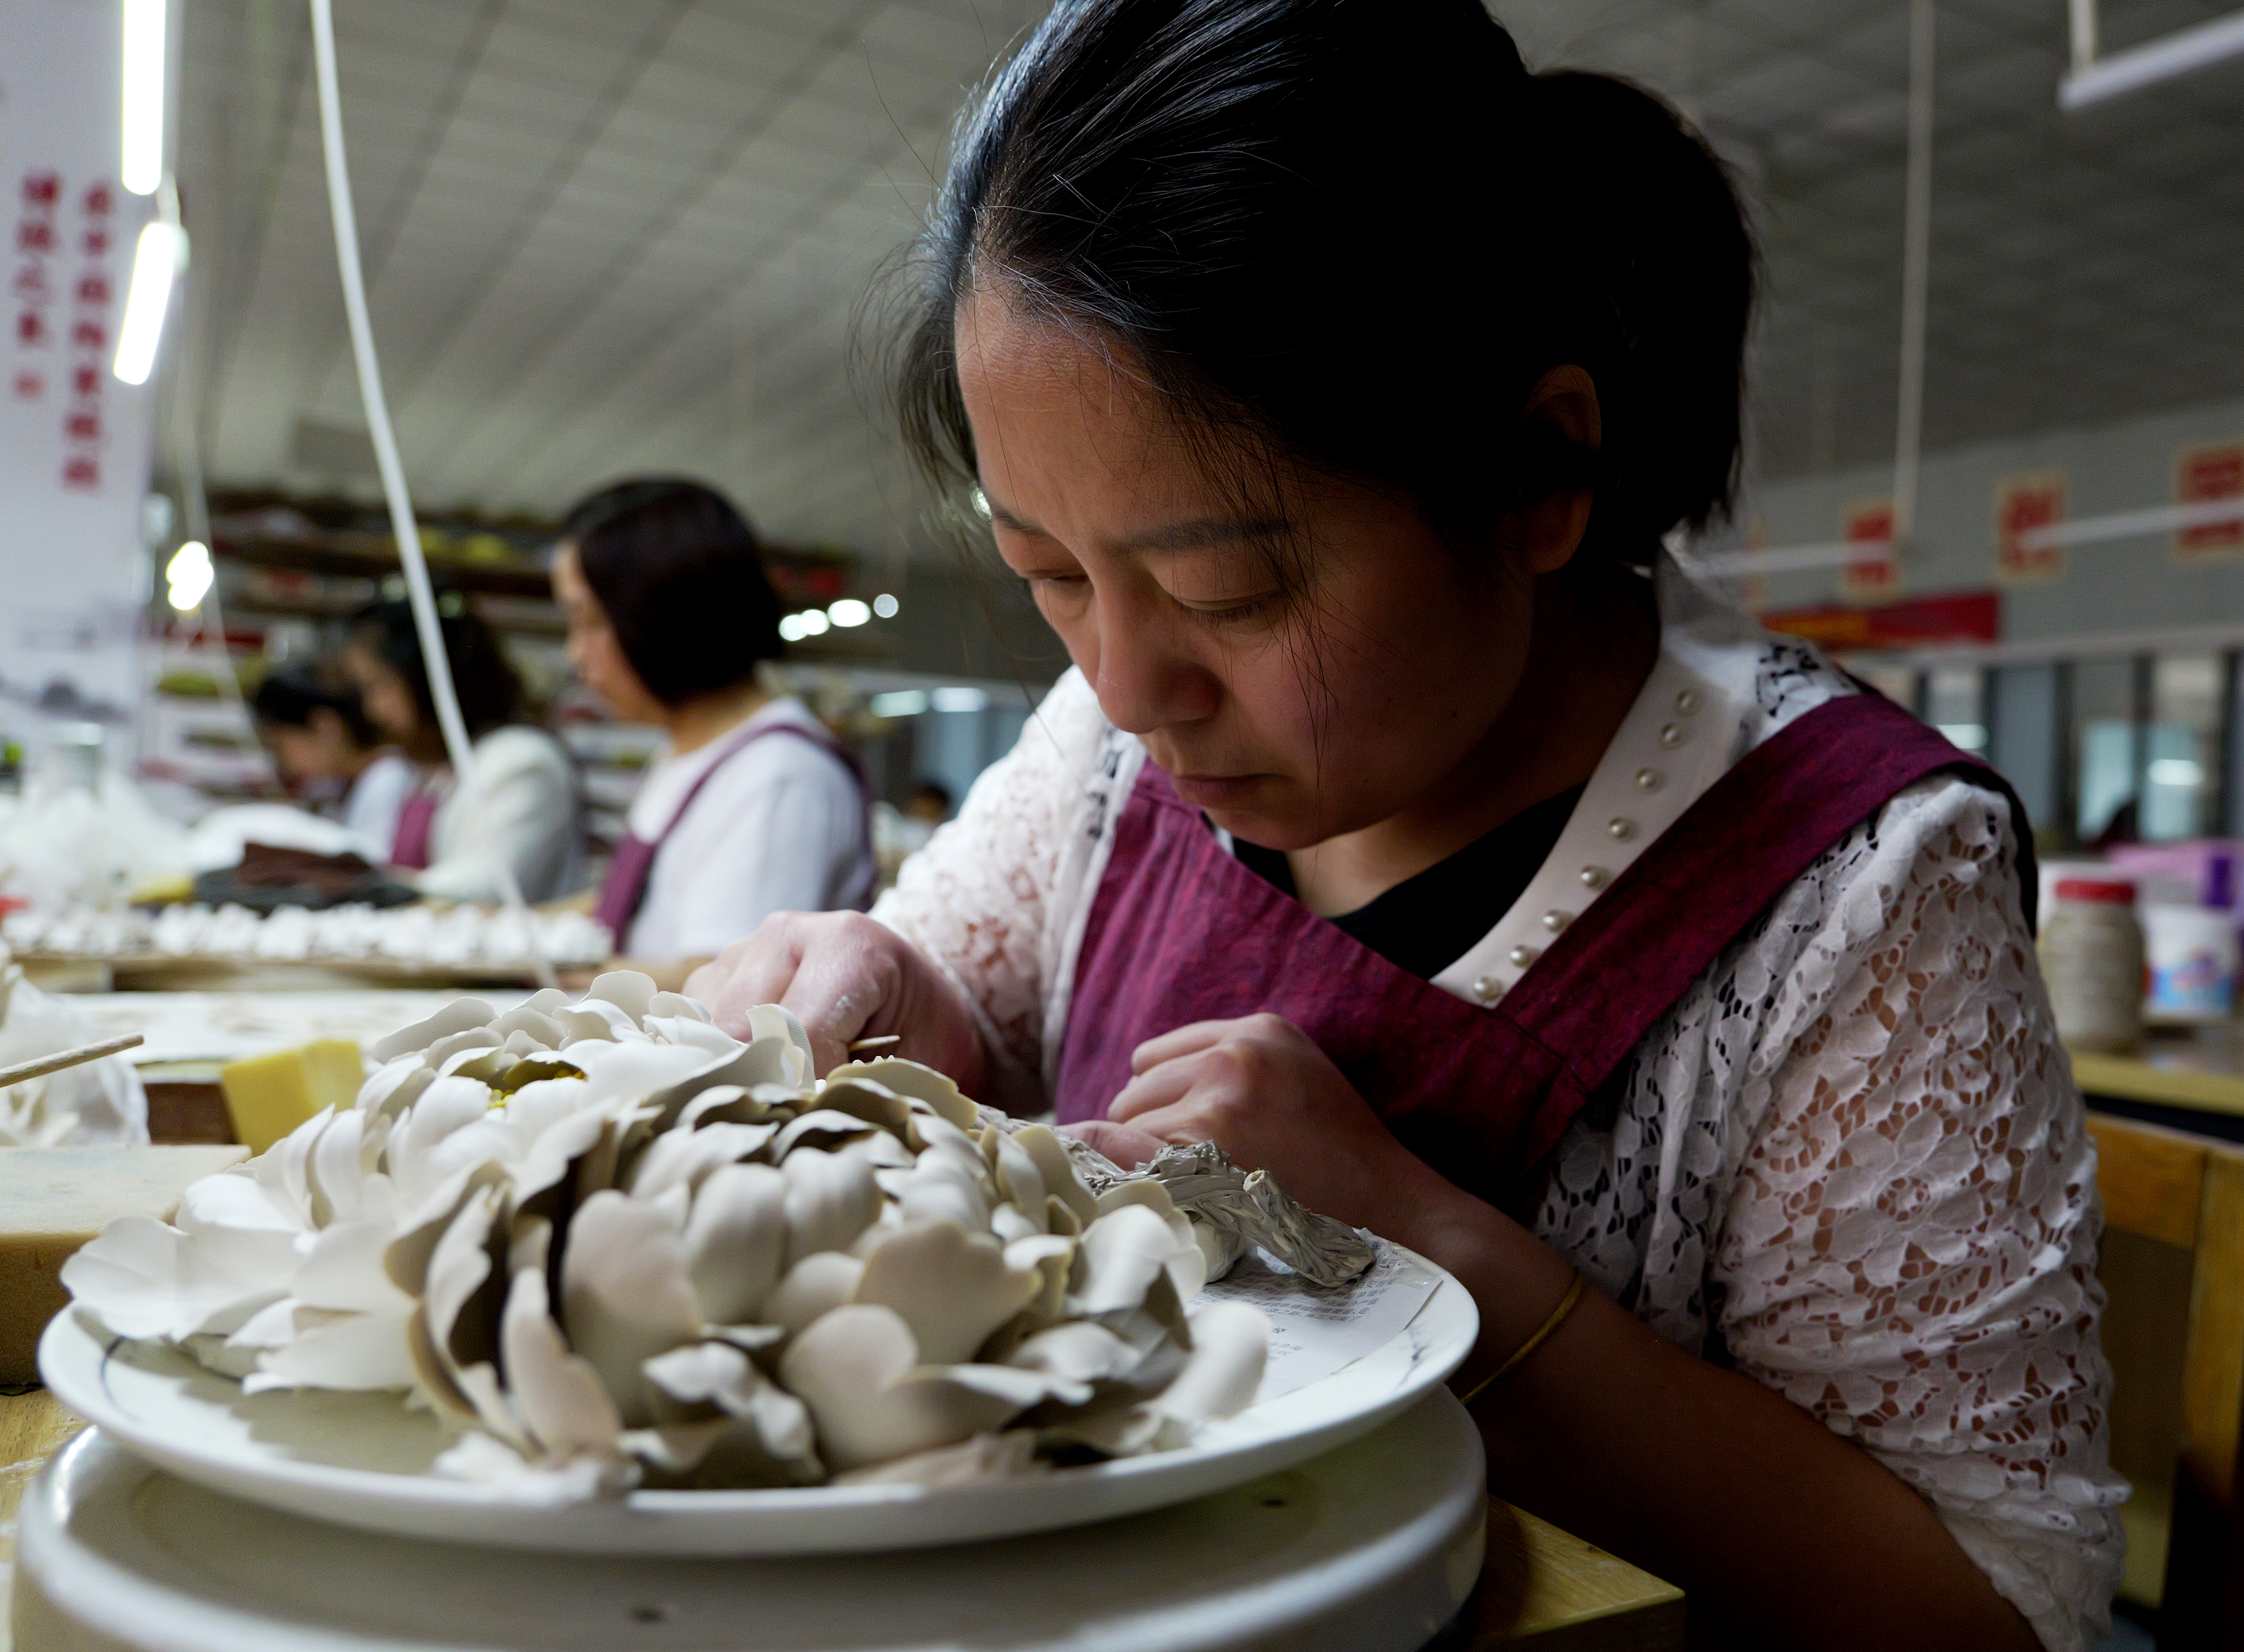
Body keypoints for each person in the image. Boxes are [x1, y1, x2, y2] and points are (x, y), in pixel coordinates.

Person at [689, 5, 2122, 1648]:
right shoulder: (1103, 743)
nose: (1132, 680)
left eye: (1226, 590)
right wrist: (890, 997)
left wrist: (1418, 1247)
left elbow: (1999, 1610)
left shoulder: (1850, 887)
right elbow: (976, 1024)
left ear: (1536, 477)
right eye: (1050, 577)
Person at [553, 479, 873, 978]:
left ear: (660, 614)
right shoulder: (688, 750)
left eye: (590, 621)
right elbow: (639, 902)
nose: (576, 653)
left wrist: (535, 968)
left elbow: (726, 986)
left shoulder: (779, 777)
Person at [341, 597, 579, 903]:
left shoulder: (520, 762)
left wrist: (362, 887)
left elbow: (487, 886)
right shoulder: (431, 771)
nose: (374, 710)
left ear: (427, 679)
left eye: (382, 687)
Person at [248, 665, 414, 857]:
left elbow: (370, 864)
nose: (284, 762)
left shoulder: (388, 779)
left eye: (281, 746)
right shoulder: (339, 784)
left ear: (324, 728)